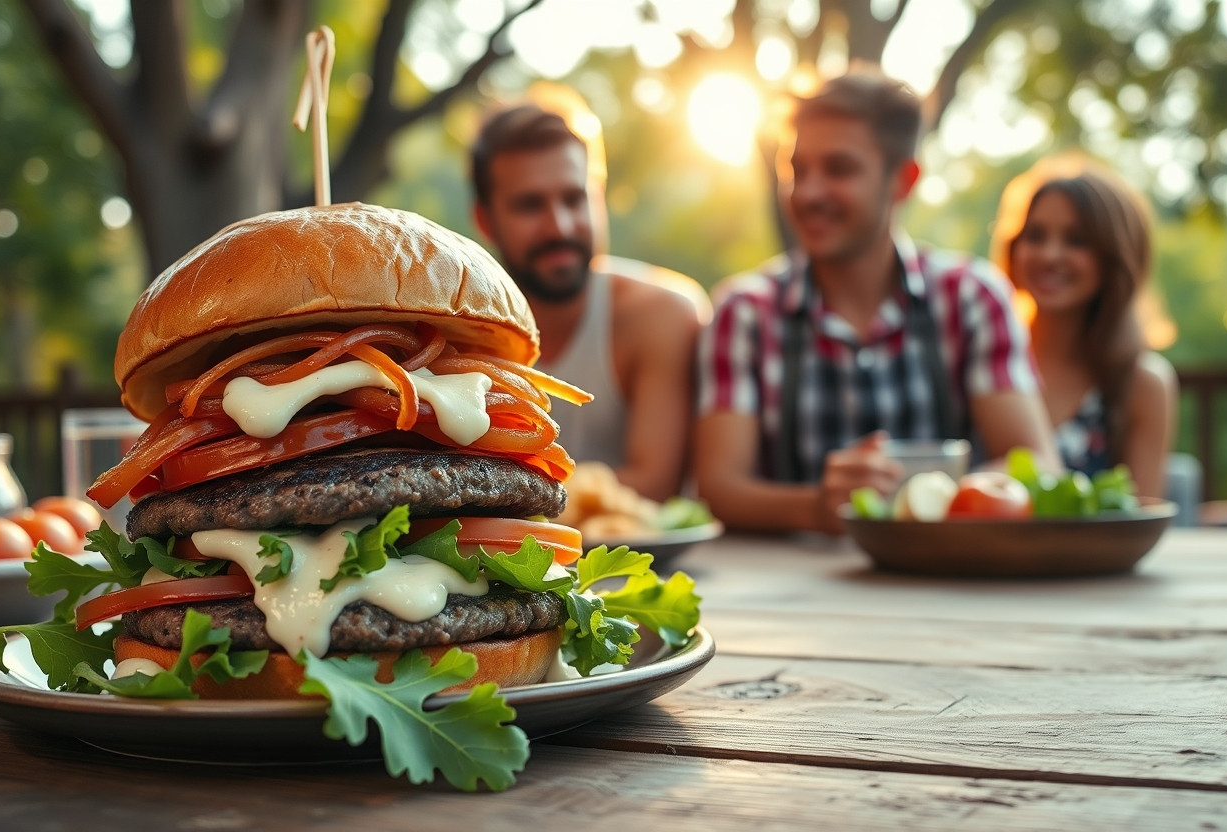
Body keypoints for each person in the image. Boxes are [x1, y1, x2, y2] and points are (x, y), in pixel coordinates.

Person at [695, 70, 1060, 534]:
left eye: (839, 169)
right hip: (791, 576)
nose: (808, 193)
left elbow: (1036, 462)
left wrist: (937, 500)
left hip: (951, 571)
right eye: (797, 170)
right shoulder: (745, 311)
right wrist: (815, 508)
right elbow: (719, 487)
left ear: (903, 180)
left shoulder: (972, 297)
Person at [469, 101, 705, 502]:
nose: (558, 226)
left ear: (599, 199)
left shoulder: (661, 315)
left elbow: (655, 485)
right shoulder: (460, 334)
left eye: (574, 199)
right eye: (530, 205)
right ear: (485, 221)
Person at [990, 157, 1178, 498]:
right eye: (1035, 235)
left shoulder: (1140, 383)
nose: (1050, 255)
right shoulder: (984, 357)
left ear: (1114, 257)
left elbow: (1141, 514)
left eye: (1076, 240)